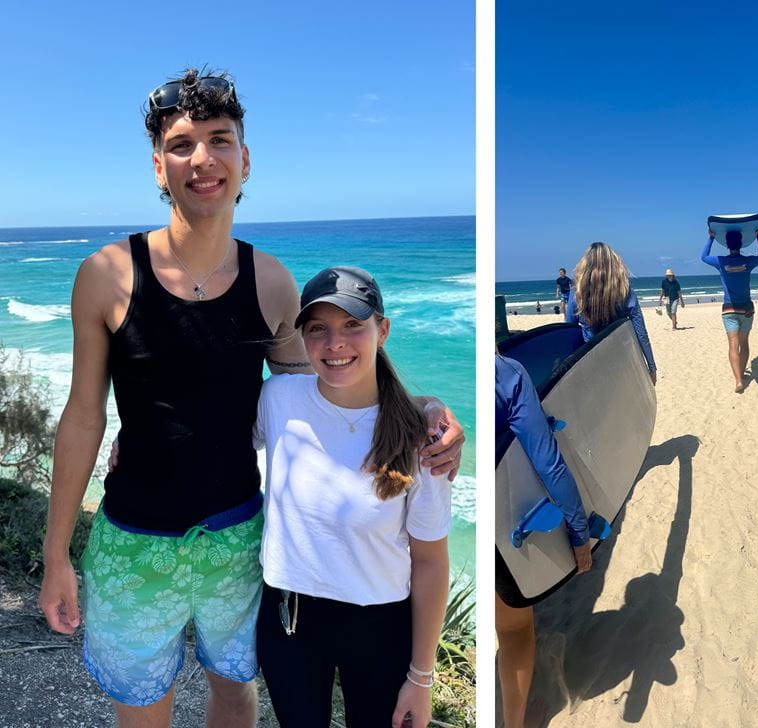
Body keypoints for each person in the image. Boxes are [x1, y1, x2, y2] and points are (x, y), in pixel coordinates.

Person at [38, 68, 463, 727]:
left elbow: (321, 390)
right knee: (141, 713)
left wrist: (422, 407)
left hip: (238, 543)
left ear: (245, 158)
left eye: (220, 140)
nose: (202, 159)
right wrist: (55, 552)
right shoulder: (105, 275)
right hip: (132, 542)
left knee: (236, 696)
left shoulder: (271, 282)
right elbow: (83, 416)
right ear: (158, 166)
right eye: (181, 144)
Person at [255, 267, 450, 727]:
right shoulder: (277, 398)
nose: (334, 343)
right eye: (317, 329)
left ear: (383, 330)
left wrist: (421, 677)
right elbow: (209, 437)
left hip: (380, 626)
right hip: (288, 619)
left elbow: (430, 562)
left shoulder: (422, 437)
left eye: (352, 325)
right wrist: (135, 439)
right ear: (302, 339)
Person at [495, 353, 592, 728]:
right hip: (497, 535)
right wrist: (579, 533)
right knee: (514, 630)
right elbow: (549, 464)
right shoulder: (507, 373)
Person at [565, 242, 657, 384]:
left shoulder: (577, 293)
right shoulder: (626, 292)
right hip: (621, 359)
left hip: (589, 359)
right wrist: (651, 367)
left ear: (585, 265)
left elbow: (569, 330)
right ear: (614, 264)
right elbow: (641, 334)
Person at [702, 227, 758, 392]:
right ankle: (742, 374)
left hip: (729, 309)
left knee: (733, 344)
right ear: (741, 243)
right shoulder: (748, 261)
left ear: (727, 244)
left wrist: (711, 238)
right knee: (744, 343)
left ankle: (738, 381)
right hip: (746, 308)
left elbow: (703, 257)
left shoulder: (720, 261)